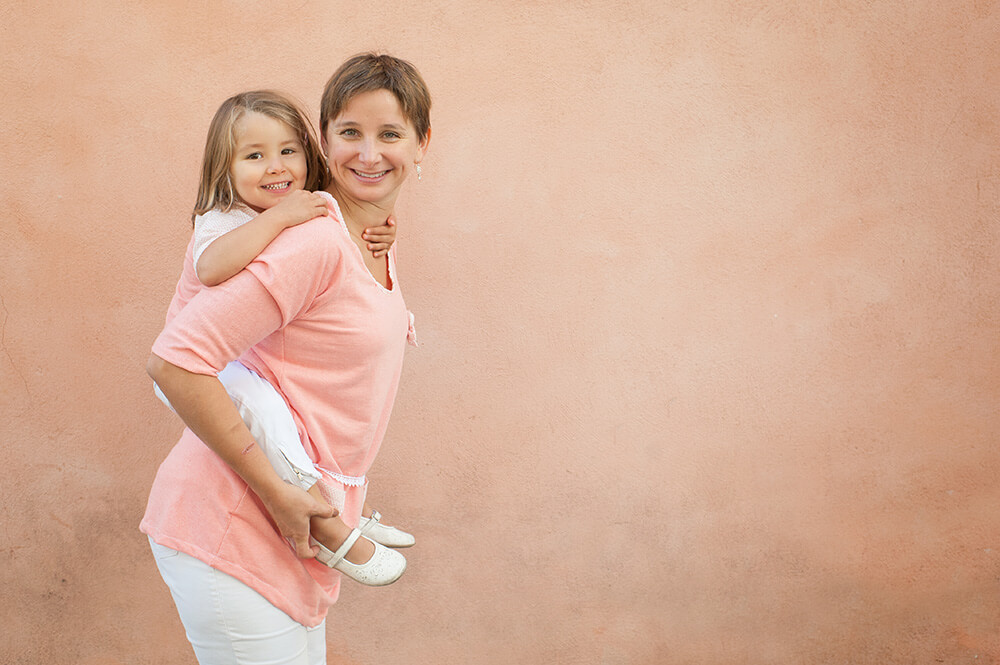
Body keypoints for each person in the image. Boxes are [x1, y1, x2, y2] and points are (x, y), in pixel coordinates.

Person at [142, 53, 431, 664]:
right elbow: (175, 362)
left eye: (390, 134)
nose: (369, 154)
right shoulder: (314, 241)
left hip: (288, 526)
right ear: (324, 142)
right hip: (236, 522)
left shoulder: (361, 234)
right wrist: (275, 491)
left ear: (421, 143)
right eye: (350, 133)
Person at [152, 90, 415, 554]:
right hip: (212, 369)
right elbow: (211, 269)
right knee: (276, 424)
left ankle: (346, 512)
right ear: (225, 170)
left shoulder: (292, 211)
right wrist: (281, 219)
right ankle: (330, 527)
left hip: (243, 364)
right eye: (255, 156)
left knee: (302, 429)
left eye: (288, 151)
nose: (275, 166)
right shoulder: (225, 218)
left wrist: (385, 226)